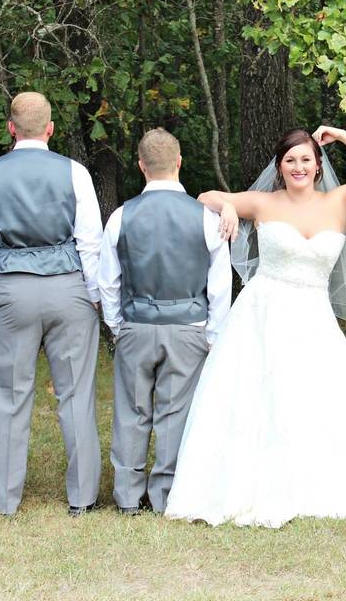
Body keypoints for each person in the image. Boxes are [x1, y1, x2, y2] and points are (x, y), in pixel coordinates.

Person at [163, 127, 346, 528]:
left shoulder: (339, 201)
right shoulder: (263, 203)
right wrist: (227, 206)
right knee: (258, 397)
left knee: (317, 398)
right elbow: (204, 197)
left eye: (306, 159)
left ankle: (314, 481)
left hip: (313, 316)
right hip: (263, 313)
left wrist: (342, 135)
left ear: (318, 165)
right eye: (290, 160)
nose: (298, 167)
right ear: (279, 167)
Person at [0, 92, 103, 516]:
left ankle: (5, 500)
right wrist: (94, 295)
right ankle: (82, 497)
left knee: (9, 394)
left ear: (11, 128)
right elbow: (90, 241)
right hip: (68, 287)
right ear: (50, 129)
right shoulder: (75, 172)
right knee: (76, 393)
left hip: (13, 289)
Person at [98, 128, 232, 515]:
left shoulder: (121, 216)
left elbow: (108, 280)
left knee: (132, 409)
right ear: (178, 162)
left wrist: (117, 324)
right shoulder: (205, 218)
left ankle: (126, 495)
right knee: (175, 411)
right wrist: (213, 333)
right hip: (188, 324)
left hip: (136, 323)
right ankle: (165, 494)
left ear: (141, 166)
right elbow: (219, 284)